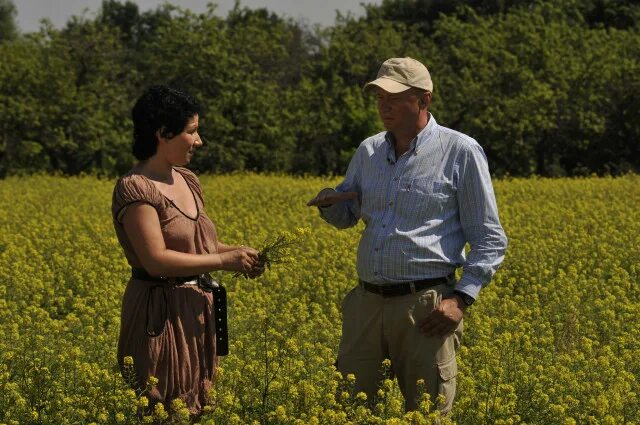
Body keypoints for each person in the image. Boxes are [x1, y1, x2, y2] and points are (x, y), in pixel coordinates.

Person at [307, 57, 508, 414]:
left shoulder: (459, 151)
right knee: (350, 413)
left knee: (426, 414)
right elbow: (347, 216)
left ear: (424, 100)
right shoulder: (369, 151)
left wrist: (460, 300)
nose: (384, 105)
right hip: (366, 304)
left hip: (426, 307)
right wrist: (329, 204)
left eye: (395, 97)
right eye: (380, 97)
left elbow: (490, 238)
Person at [111, 85, 264, 416]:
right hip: (159, 315)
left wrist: (239, 254)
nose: (199, 141)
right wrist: (224, 260)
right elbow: (156, 260)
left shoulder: (188, 179)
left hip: (196, 310)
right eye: (191, 131)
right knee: (161, 407)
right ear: (163, 134)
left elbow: (197, 246)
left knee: (196, 407)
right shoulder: (136, 188)